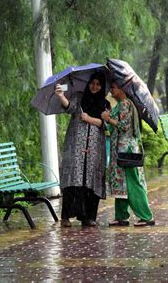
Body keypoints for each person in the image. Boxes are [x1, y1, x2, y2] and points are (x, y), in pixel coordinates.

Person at [55, 72, 109, 227]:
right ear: (89, 83)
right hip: (76, 148)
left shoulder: (105, 104)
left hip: (95, 150)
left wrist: (89, 119)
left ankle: (89, 217)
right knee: (73, 179)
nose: (95, 86)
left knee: (91, 180)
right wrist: (61, 96)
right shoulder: (78, 97)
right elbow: (70, 108)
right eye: (93, 83)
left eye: (98, 84)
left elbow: (106, 124)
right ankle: (66, 216)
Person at [101, 81, 155, 227]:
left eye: (113, 87)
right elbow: (114, 127)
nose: (111, 90)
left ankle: (146, 216)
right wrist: (108, 119)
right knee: (121, 183)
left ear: (121, 89)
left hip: (126, 150)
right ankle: (121, 216)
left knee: (131, 183)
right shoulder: (120, 104)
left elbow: (124, 126)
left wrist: (108, 119)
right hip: (120, 150)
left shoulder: (125, 104)